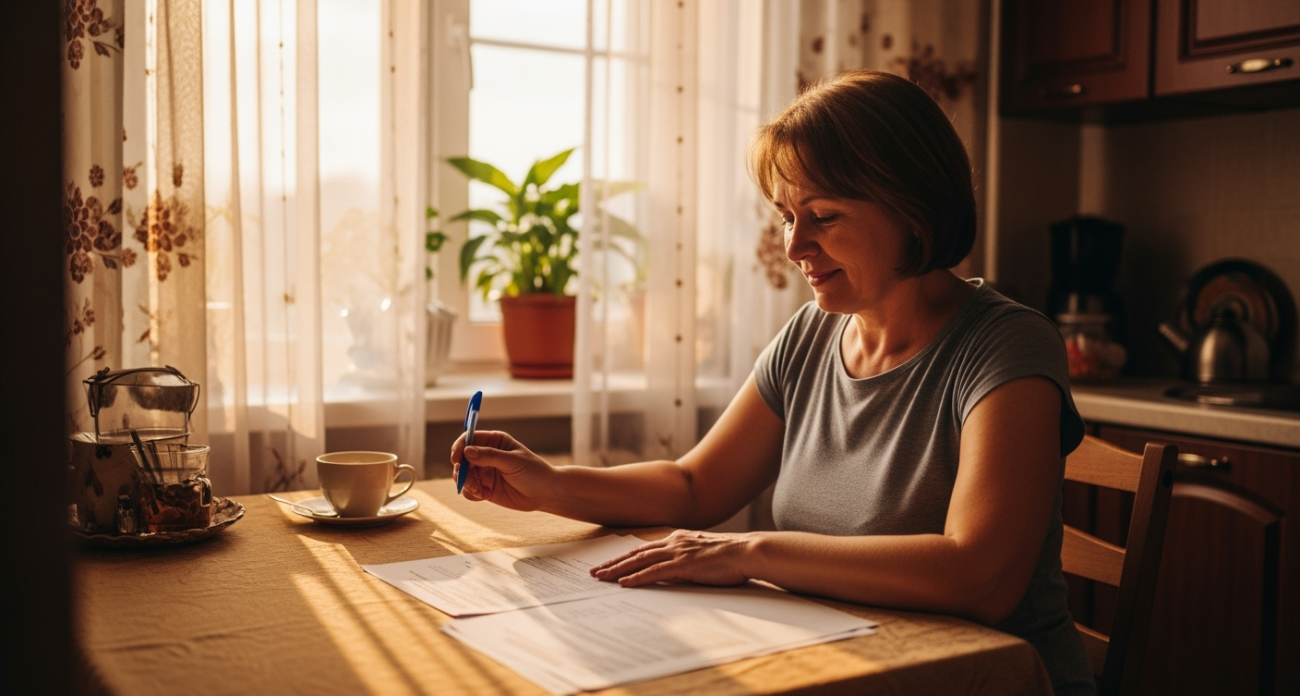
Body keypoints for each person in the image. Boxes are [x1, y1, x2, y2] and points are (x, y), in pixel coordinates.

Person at [452, 69, 1095, 696]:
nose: (794, 247)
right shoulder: (811, 333)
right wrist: (551, 484)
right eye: (788, 216)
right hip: (843, 663)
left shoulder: (1007, 345)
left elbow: (980, 576)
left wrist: (749, 553)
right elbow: (696, 485)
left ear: (914, 210)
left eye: (825, 216)